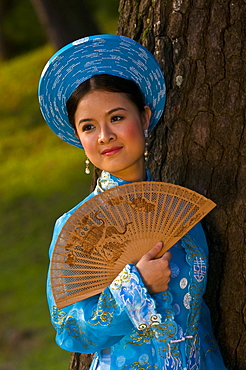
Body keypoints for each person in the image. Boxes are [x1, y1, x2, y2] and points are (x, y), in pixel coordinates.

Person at [38, 34, 227, 370]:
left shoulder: (181, 213)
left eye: (116, 117)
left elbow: (200, 322)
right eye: (88, 127)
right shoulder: (73, 228)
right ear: (79, 139)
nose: (104, 136)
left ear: (144, 116)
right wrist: (136, 287)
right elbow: (70, 331)